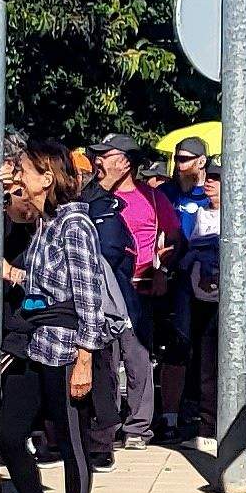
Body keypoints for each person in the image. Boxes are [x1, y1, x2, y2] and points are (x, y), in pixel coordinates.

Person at [0, 138, 128, 493]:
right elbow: (47, 282)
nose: (19, 178)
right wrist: (12, 274)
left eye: (25, 171)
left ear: (47, 178)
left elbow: (87, 296)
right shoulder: (45, 225)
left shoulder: (75, 226)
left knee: (71, 445)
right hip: (36, 344)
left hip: (67, 348)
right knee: (7, 434)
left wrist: (85, 357)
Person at [88, 134, 173, 457]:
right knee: (104, 361)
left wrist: (162, 270)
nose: (98, 160)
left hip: (138, 287)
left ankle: (138, 427)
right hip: (98, 288)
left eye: (104, 154)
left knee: (137, 359)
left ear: (125, 161)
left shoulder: (152, 197)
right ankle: (105, 428)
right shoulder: (92, 194)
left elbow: (175, 239)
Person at [158, 136, 222, 442]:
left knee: (208, 354)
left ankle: (203, 415)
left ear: (200, 161)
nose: (178, 164)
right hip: (176, 280)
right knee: (176, 349)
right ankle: (169, 416)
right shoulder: (166, 193)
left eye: (185, 158)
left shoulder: (211, 196)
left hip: (212, 288)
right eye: (176, 158)